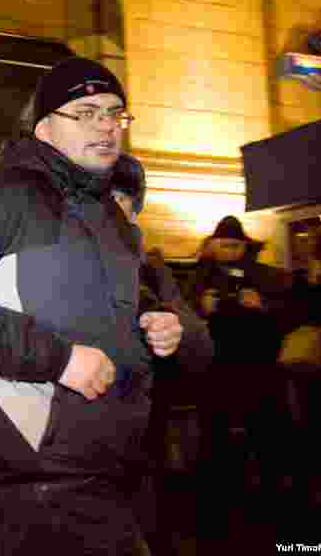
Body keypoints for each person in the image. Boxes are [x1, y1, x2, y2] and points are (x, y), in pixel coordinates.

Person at [0, 56, 185, 555]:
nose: (107, 125)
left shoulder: (107, 212)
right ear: (44, 126)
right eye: (86, 111)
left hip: (107, 458)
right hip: (34, 466)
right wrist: (59, 358)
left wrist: (152, 319)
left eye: (115, 113)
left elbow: (111, 297)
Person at [111, 154, 213, 556]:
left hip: (140, 447)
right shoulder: (49, 264)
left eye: (121, 201)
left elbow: (201, 348)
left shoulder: (150, 269)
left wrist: (171, 327)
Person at [188, 214, 288, 541]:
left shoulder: (264, 275)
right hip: (216, 370)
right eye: (224, 245)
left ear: (244, 246)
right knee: (215, 436)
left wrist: (263, 306)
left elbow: (290, 313)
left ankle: (271, 498)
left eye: (235, 245)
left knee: (266, 434)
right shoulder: (198, 276)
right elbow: (179, 315)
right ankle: (218, 501)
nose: (230, 251)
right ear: (213, 246)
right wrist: (200, 307)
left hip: (258, 369)